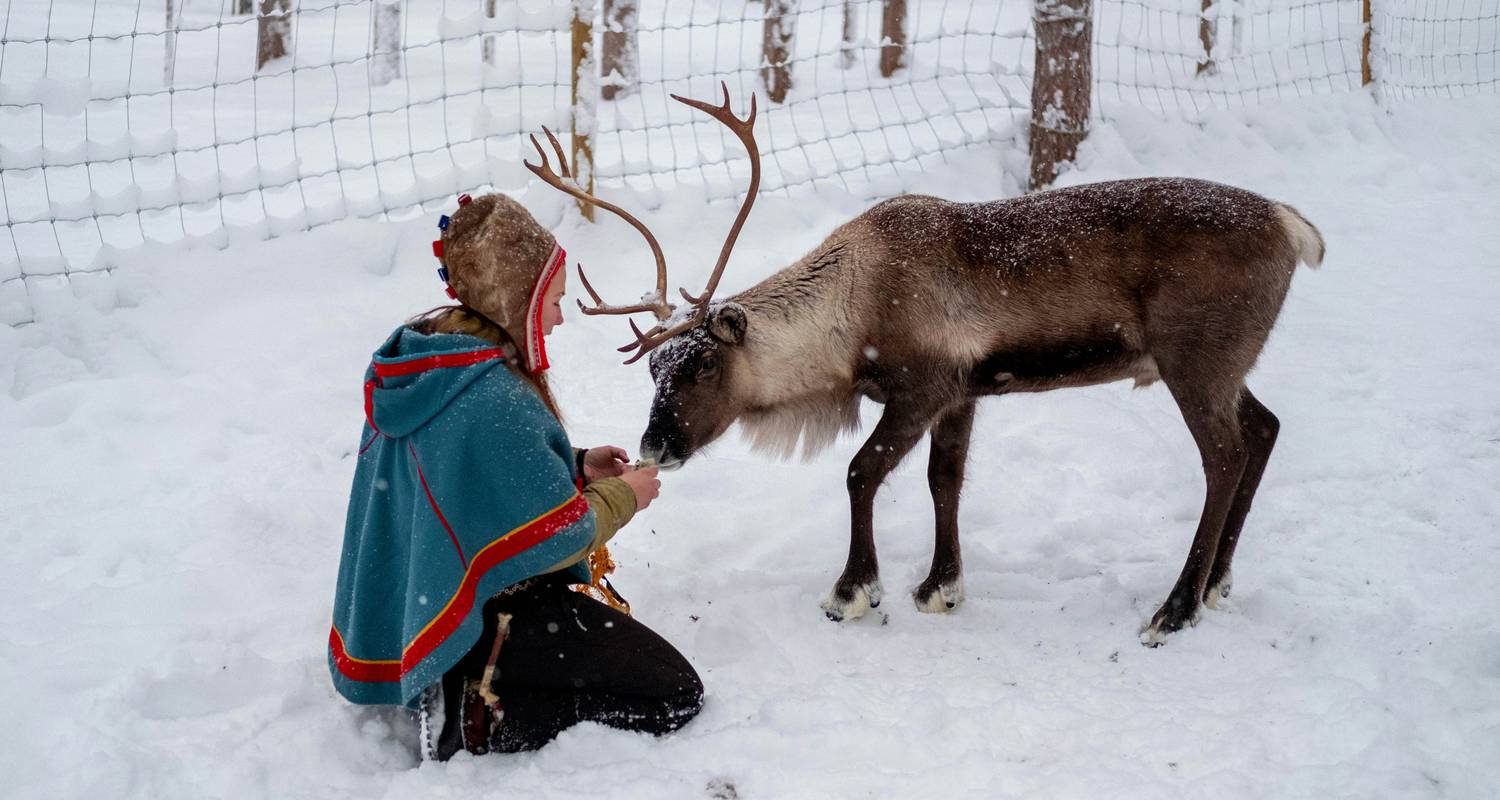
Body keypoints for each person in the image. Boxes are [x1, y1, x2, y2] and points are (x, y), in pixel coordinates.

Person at [327, 192, 703, 760]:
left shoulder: (429, 361)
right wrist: (624, 496)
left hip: (430, 596)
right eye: (551, 300)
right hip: (496, 612)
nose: (556, 316)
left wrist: (574, 465)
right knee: (675, 693)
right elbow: (562, 536)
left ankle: (463, 672)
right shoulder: (496, 395)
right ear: (516, 298)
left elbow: (466, 469)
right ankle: (487, 714)